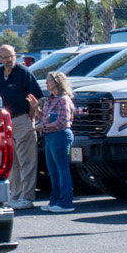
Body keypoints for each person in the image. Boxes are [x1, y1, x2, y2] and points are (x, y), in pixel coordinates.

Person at [0, 44, 43, 209]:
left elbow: (34, 99)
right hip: (3, 122)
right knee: (12, 162)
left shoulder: (24, 73)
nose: (7, 60)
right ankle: (15, 195)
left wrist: (30, 120)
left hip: (21, 119)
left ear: (15, 55)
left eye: (9, 56)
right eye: (3, 57)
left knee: (27, 161)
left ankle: (27, 196)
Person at [37, 72, 78, 213]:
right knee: (53, 171)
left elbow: (62, 121)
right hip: (49, 136)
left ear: (57, 82)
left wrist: (43, 126)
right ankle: (55, 200)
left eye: (49, 81)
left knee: (62, 170)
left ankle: (66, 202)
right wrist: (36, 110)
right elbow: (44, 118)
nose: (46, 83)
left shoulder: (63, 100)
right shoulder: (49, 99)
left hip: (60, 135)